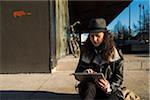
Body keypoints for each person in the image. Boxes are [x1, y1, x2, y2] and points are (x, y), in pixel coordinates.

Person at [74, 18, 124, 100]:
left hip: (108, 89)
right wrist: (84, 73)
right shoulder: (86, 51)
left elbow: (119, 78)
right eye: (92, 36)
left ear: (105, 36)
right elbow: (77, 73)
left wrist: (109, 86)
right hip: (90, 89)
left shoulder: (115, 53)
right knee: (89, 87)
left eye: (98, 36)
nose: (94, 39)